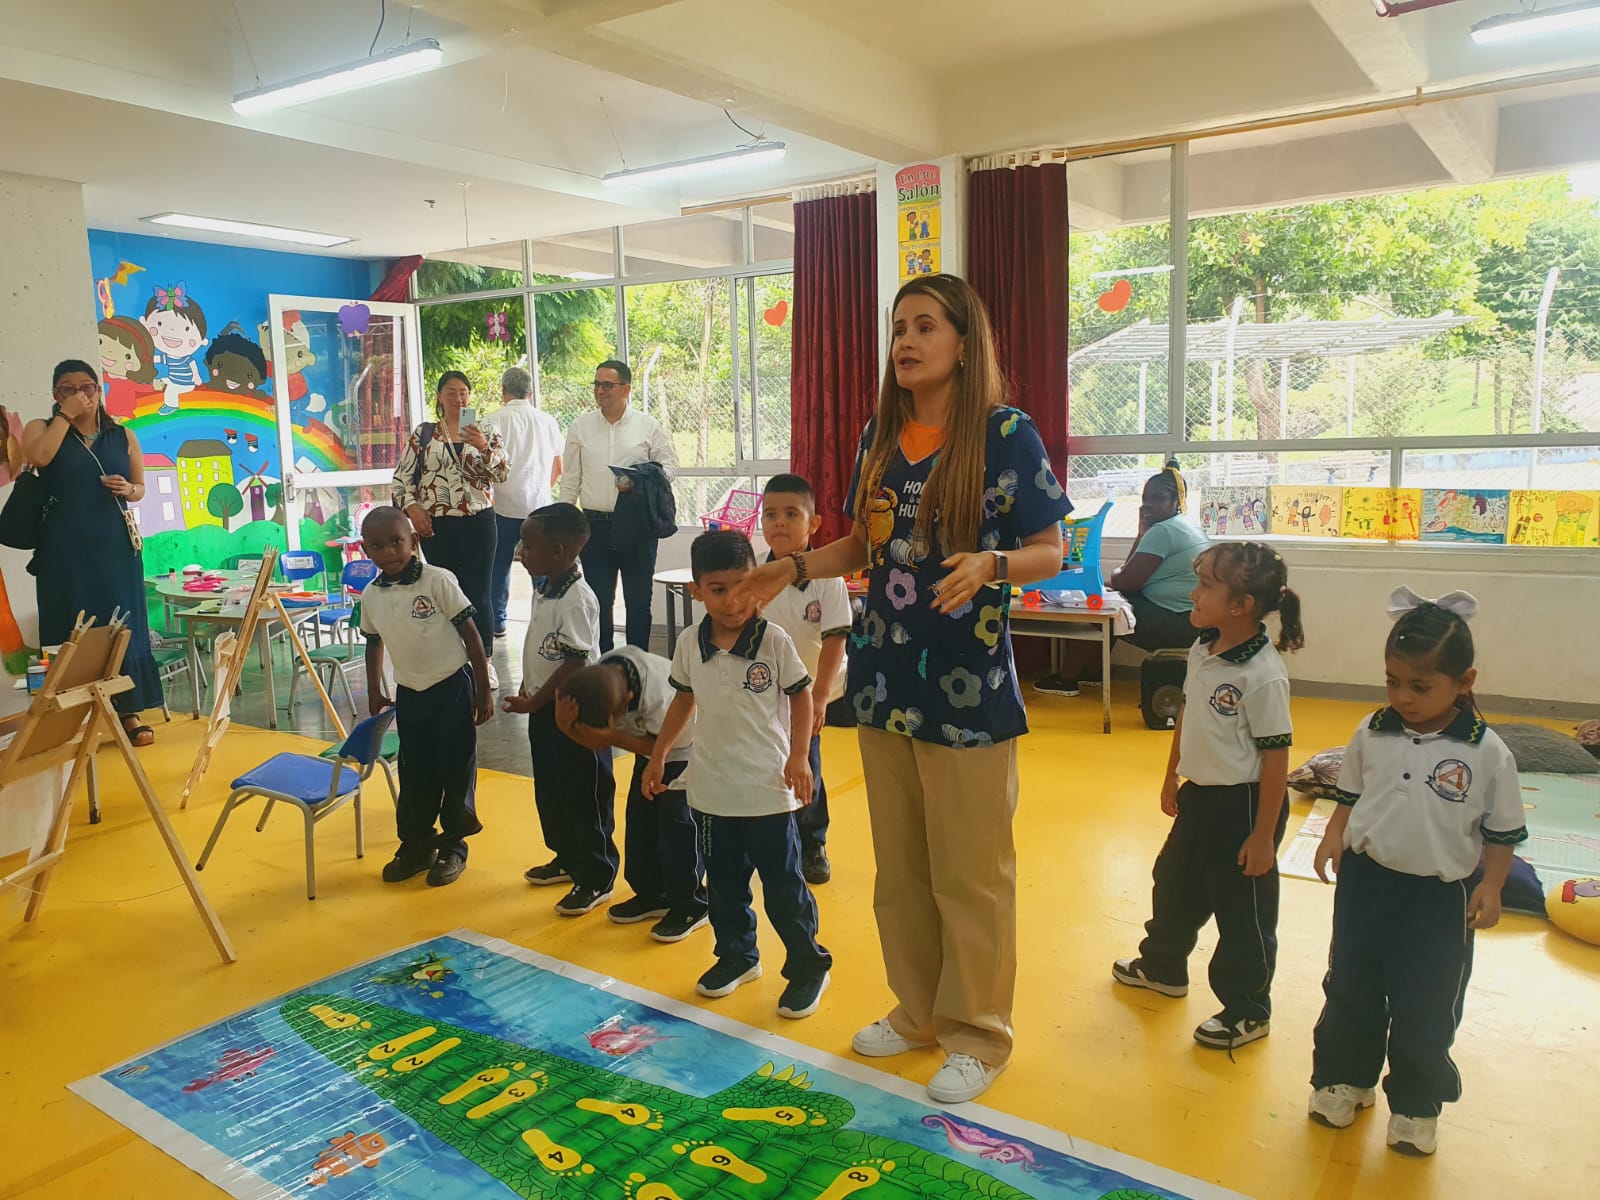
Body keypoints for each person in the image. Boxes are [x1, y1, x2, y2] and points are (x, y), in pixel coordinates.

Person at [744, 274, 1071, 1104]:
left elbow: (1051, 549)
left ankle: (979, 1035)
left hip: (969, 689)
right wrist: (788, 568)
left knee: (972, 873)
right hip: (885, 680)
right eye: (899, 328)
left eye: (925, 326)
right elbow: (862, 544)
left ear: (964, 343)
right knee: (902, 869)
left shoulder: (1005, 433)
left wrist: (993, 564)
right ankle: (919, 1012)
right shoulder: (882, 435)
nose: (906, 342)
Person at [1309, 588, 1523, 1158]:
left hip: (1437, 899)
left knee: (1426, 1004)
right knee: (1350, 985)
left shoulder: (1487, 752)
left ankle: (1415, 1104)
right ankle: (1345, 1078)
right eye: (1392, 682)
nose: (1403, 697)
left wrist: (1492, 885)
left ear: (1464, 681)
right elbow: (1350, 792)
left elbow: (1503, 831)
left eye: (1420, 686)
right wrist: (1333, 835)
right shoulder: (1372, 729)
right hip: (1366, 884)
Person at [1111, 542, 1303, 1051]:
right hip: (1200, 796)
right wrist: (1172, 775)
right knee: (1174, 882)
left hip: (1243, 806)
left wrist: (1263, 837)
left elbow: (1277, 760)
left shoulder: (1261, 674)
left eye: (1205, 586)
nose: (1193, 595)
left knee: (1242, 913)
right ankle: (1163, 966)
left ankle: (1247, 1009)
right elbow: (1189, 715)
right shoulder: (1203, 647)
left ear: (1240, 605)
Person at [643, 530, 830, 1020]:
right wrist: (659, 755)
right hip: (711, 791)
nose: (733, 601)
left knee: (783, 887)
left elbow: (801, 695)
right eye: (718, 589)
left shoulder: (773, 640)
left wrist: (799, 756)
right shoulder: (689, 643)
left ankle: (808, 966)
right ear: (697, 591)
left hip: (767, 790)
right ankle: (737, 956)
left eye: (743, 586)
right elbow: (683, 699)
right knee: (724, 886)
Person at [23, 360, 163, 746]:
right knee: (70, 626)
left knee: (121, 627)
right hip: (62, 551)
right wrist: (65, 417)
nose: (80, 394)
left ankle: (128, 711)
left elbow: (140, 487)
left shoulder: (122, 435)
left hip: (115, 548)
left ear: (99, 391)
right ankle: (69, 719)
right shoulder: (41, 428)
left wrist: (129, 490)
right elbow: (40, 458)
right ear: (56, 394)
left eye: (87, 387)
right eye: (68, 388)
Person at [358, 505, 493, 888]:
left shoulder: (438, 580)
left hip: (451, 687)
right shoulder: (371, 594)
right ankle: (417, 846)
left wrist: (482, 689)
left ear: (413, 541)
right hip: (410, 693)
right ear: (365, 550)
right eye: (377, 546)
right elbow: (373, 643)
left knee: (455, 769)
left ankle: (453, 847)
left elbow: (471, 634)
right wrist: (374, 689)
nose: (388, 552)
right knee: (415, 772)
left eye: (396, 542)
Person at [502, 503, 617, 918]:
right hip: (546, 708)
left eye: (528, 545)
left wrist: (535, 700)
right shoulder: (545, 587)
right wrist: (529, 686)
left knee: (584, 793)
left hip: (577, 712)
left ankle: (597, 874)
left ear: (557, 551)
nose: (520, 552)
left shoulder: (576, 599)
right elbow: (541, 646)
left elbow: (575, 663)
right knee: (553, 790)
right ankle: (567, 857)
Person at [556, 644, 705, 942]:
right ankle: (652, 894)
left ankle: (692, 904)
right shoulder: (601, 675)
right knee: (640, 821)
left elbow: (663, 747)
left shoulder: (660, 697)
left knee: (678, 826)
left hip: (684, 749)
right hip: (647, 749)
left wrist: (613, 737)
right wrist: (565, 725)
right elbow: (591, 736)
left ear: (627, 700)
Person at [1037, 460, 1208, 696]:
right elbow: (1129, 578)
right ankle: (1093, 672)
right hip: (1193, 619)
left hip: (1177, 622)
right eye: (1145, 498)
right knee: (1109, 596)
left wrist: (1113, 579)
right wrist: (1140, 534)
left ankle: (1066, 680)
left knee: (1100, 602)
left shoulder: (1163, 530)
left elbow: (1125, 582)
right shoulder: (1185, 524)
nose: (1148, 504)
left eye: (1158, 498)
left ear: (1177, 502)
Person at [758, 473, 852, 885]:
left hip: (808, 694)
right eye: (770, 515)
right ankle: (771, 835)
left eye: (791, 514)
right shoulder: (753, 573)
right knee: (763, 762)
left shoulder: (828, 577)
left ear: (813, 523)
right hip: (762, 693)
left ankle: (813, 840)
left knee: (804, 763)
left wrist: (819, 696)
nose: (779, 522)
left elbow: (835, 639)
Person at [392, 371, 510, 689]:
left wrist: (483, 447)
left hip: (479, 522)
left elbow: (502, 473)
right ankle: (451, 662)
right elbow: (401, 480)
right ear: (440, 397)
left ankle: (483, 662)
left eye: (463, 392)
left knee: (479, 592)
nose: (459, 398)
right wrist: (413, 509)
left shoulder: (485, 430)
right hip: (437, 525)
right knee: (444, 591)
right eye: (451, 392)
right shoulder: (424, 434)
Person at [558, 360, 678, 653]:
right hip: (594, 525)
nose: (600, 391)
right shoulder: (581, 427)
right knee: (598, 600)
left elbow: (669, 467)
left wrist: (640, 479)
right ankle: (603, 664)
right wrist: (564, 523)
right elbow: (571, 478)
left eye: (607, 385)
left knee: (639, 600)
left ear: (626, 389)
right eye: (596, 385)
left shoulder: (647, 426)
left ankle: (637, 663)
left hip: (637, 524)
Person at [484, 366, 563, 639]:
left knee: (498, 566)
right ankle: (545, 621)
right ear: (530, 392)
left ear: (503, 390)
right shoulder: (548, 421)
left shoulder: (492, 421)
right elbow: (558, 466)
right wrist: (541, 489)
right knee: (542, 567)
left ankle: (497, 622)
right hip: (539, 507)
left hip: (502, 506)